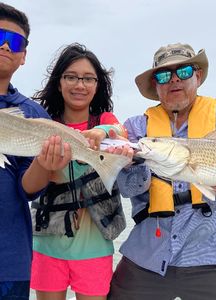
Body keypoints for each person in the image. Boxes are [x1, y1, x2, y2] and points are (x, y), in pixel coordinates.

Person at [108, 43, 216, 300]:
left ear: (197, 75)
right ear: (156, 86)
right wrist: (132, 164)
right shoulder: (136, 127)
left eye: (184, 71)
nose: (174, 80)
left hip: (214, 255)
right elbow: (128, 189)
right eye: (164, 76)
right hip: (147, 255)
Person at [30, 42, 128, 300]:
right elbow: (29, 184)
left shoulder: (105, 121)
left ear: (97, 85)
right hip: (47, 243)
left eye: (88, 78)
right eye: (71, 77)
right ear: (59, 81)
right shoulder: (43, 123)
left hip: (95, 245)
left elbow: (121, 133)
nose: (79, 85)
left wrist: (101, 132)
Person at [0, 3, 72, 300]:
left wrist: (46, 164)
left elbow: (27, 189)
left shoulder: (33, 114)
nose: (5, 45)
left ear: (23, 55)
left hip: (8, 261)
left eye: (15, 41)